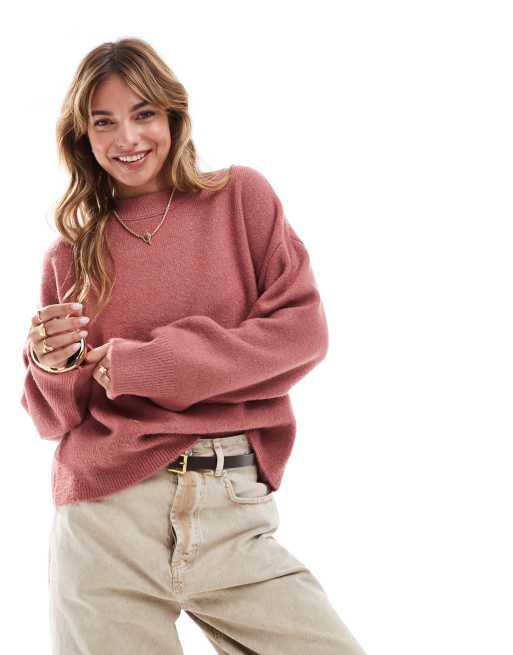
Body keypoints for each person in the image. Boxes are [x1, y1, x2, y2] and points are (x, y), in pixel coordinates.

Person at [20, 37, 368, 654]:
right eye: (104, 122)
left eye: (143, 114)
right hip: (106, 523)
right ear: (82, 136)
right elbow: (55, 420)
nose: (128, 138)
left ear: (174, 117)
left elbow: (301, 333)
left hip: (231, 508)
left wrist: (152, 364)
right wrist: (50, 367)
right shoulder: (70, 256)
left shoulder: (239, 199)